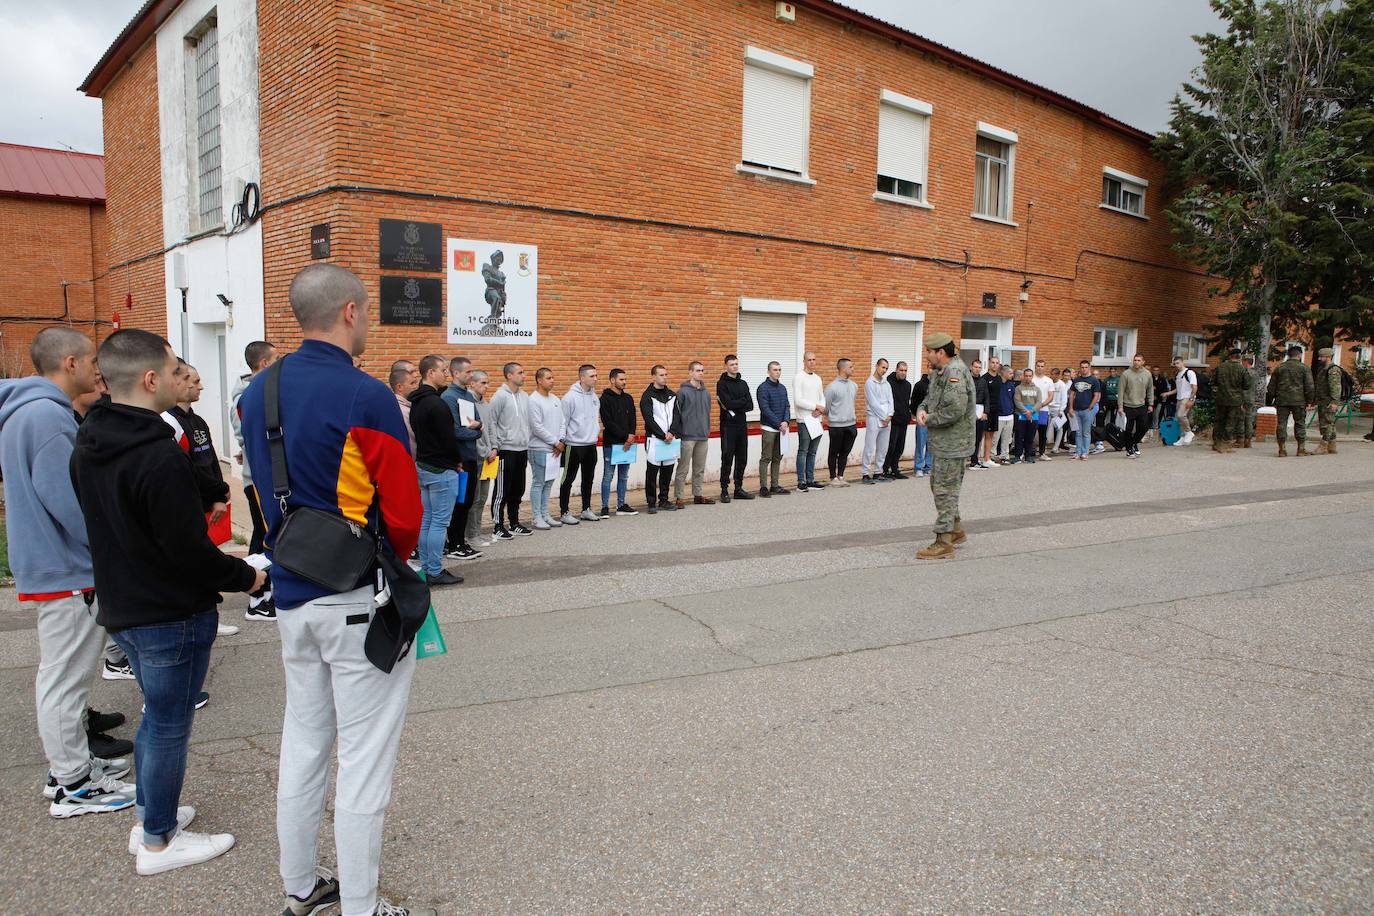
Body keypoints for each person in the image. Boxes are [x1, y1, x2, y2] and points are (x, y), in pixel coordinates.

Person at [238, 264, 429, 915]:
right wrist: (394, 561)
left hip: (292, 591)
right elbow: (403, 511)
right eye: (367, 310)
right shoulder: (365, 394)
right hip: (355, 594)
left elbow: (262, 486)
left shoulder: (258, 391)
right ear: (350, 311)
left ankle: (300, 886)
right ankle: (363, 906)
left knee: (304, 744)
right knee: (364, 762)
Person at [74, 328, 263, 874]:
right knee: (166, 723)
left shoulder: (92, 437)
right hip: (166, 612)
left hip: (123, 604)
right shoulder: (156, 454)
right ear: (151, 378)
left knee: (158, 718)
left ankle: (152, 816)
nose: (184, 376)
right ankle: (158, 839)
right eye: (177, 368)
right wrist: (247, 577)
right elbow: (187, 551)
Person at [0, 327, 136, 818]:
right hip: (67, 568)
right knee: (64, 680)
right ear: (69, 364)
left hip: (57, 564)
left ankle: (70, 767)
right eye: (92, 360)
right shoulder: (46, 417)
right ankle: (73, 784)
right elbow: (73, 504)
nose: (99, 370)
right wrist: (113, 548)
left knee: (64, 677)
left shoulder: (33, 412)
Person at [167, 364, 240, 638]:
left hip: (206, 503)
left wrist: (219, 496)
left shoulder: (198, 421)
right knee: (192, 562)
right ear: (178, 382)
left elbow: (208, 461)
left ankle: (207, 615)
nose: (200, 386)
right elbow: (186, 468)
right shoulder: (169, 423)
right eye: (195, 381)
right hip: (188, 504)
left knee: (206, 557)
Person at [915, 333, 975, 559]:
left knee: (944, 491)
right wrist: (922, 409)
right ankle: (956, 530)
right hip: (943, 442)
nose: (927, 355)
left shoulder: (955, 372)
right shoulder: (940, 371)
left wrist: (929, 419)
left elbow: (955, 410)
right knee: (940, 487)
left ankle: (944, 542)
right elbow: (929, 399)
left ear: (941, 352)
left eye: (929, 352)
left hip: (953, 443)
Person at [231, 339, 279, 621]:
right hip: (258, 479)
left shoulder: (259, 392)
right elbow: (250, 436)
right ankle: (257, 598)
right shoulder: (248, 397)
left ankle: (263, 592)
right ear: (264, 363)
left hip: (265, 477)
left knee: (265, 535)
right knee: (264, 537)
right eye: (276, 359)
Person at [407, 355, 464, 586]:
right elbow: (448, 439)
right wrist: (457, 460)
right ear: (430, 373)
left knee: (428, 520)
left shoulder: (416, 402)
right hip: (441, 470)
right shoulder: (437, 404)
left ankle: (427, 567)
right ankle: (435, 570)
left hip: (423, 466)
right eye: (443, 370)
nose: (446, 374)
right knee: (439, 522)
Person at [440, 357, 485, 559]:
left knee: (467, 501)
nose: (471, 375)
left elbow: (479, 423)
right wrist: (476, 431)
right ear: (455, 373)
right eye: (467, 372)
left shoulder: (468, 395)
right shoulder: (449, 397)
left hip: (471, 455)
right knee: (459, 503)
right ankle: (455, 544)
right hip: (459, 458)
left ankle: (460, 541)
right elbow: (456, 431)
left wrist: (477, 428)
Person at [489, 361, 533, 538]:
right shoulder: (500, 396)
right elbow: (491, 422)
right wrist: (495, 445)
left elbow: (527, 422)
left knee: (518, 489)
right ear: (509, 375)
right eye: (520, 373)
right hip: (505, 450)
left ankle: (514, 523)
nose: (524, 376)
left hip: (522, 449)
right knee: (502, 491)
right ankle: (497, 526)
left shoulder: (525, 396)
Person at [559, 364, 602, 524]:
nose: (595, 379)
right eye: (592, 376)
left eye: (596, 375)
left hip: (591, 444)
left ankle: (586, 509)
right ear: (582, 377)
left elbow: (595, 419)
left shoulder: (594, 397)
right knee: (568, 479)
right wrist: (561, 440)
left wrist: (596, 432)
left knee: (588, 479)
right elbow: (563, 421)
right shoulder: (569, 397)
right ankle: (564, 512)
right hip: (573, 445)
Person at [671, 361, 714, 506]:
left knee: (699, 469)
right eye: (697, 370)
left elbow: (707, 413)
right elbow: (676, 414)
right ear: (690, 372)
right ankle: (679, 497)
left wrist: (706, 430)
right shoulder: (682, 392)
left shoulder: (706, 393)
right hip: (687, 436)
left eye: (702, 370)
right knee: (683, 468)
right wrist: (679, 433)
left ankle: (698, 495)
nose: (700, 373)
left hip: (703, 436)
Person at [527, 367, 564, 530]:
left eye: (553, 377)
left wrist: (560, 441)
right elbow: (536, 427)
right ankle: (536, 517)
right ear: (539, 380)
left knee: (549, 483)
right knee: (539, 482)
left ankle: (545, 514)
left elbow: (563, 422)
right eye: (548, 378)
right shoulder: (533, 400)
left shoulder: (555, 399)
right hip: (539, 448)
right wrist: (555, 442)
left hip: (555, 449)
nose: (552, 380)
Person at [464, 370, 498, 548]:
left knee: (483, 497)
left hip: (489, 458)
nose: (487, 386)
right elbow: (469, 430)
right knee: (474, 499)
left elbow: (491, 427)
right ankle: (471, 535)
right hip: (476, 457)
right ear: (472, 384)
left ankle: (477, 532)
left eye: (487, 382)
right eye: (483, 383)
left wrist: (494, 447)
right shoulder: (467, 403)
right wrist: (484, 451)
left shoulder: (486, 404)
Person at [599, 368, 639, 516]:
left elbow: (633, 419)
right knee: (608, 476)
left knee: (623, 476)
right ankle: (604, 507)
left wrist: (631, 436)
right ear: (612, 380)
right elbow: (608, 422)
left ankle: (621, 505)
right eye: (621, 379)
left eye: (625, 379)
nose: (624, 382)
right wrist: (625, 437)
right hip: (611, 444)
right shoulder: (604, 399)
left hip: (627, 444)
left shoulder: (628, 398)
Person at [640, 364, 678, 513]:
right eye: (661, 375)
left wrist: (672, 432)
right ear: (653, 377)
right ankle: (651, 502)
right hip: (655, 439)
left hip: (670, 439)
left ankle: (664, 499)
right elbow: (649, 419)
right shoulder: (647, 396)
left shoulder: (672, 395)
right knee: (652, 471)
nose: (664, 377)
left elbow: (677, 416)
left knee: (667, 470)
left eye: (666, 374)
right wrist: (662, 435)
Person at [716, 355, 754, 502]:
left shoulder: (743, 383)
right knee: (727, 457)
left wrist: (734, 404)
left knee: (742, 458)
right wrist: (740, 403)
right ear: (726, 366)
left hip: (741, 425)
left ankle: (738, 488)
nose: (735, 366)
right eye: (732, 364)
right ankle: (724, 490)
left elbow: (750, 405)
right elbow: (727, 404)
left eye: (736, 364)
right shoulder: (721, 384)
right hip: (728, 426)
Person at [1267, 344, 1315, 457]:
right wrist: (1310, 401)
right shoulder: (1304, 368)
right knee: (1300, 423)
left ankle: (1282, 449)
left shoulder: (1280, 368)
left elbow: (1271, 387)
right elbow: (1310, 387)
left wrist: (1270, 400)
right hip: (1299, 401)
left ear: (1288, 355)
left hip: (1282, 401)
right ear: (1299, 355)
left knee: (1281, 424)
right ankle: (1301, 449)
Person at [756, 360, 791, 497]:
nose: (778, 372)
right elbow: (765, 409)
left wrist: (786, 421)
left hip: (782, 429)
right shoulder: (763, 388)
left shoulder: (782, 388)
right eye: (775, 370)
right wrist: (778, 424)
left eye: (779, 370)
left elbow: (787, 406)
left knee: (777, 458)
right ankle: (763, 487)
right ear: (769, 371)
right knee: (766, 458)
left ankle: (775, 486)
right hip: (769, 428)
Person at [793, 352, 826, 491]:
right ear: (804, 361)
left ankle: (810, 480)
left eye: (814, 359)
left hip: (816, 419)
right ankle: (801, 482)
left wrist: (820, 409)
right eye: (809, 360)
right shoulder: (799, 377)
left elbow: (822, 397)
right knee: (803, 451)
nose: (812, 362)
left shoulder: (817, 378)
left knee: (812, 452)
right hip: (804, 420)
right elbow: (798, 400)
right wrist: (815, 406)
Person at [824, 358, 858, 486]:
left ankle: (841, 476)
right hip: (836, 426)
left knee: (845, 452)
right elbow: (826, 408)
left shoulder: (854, 385)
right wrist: (835, 417)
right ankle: (833, 477)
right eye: (851, 367)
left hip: (851, 425)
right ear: (843, 368)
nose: (853, 369)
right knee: (834, 452)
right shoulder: (831, 387)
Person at [1211, 348, 1251, 453]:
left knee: (1219, 420)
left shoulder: (1220, 367)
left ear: (1230, 356)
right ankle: (1225, 444)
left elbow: (1213, 382)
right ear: (1239, 357)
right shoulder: (1242, 369)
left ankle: (1216, 442)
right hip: (1235, 400)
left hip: (1221, 398)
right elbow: (1247, 385)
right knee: (1231, 422)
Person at [860, 358, 893, 483]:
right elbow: (873, 403)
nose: (884, 370)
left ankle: (878, 472)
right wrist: (884, 416)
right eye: (882, 367)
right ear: (877, 366)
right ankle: (865, 473)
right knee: (869, 446)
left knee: (883, 447)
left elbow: (891, 400)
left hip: (886, 420)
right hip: (874, 417)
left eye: (886, 368)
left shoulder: (886, 384)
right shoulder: (869, 383)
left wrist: (890, 415)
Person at [1118, 353, 1154, 458]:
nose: (1136, 362)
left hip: (1141, 405)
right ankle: (1129, 450)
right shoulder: (1126, 374)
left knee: (1143, 427)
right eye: (1135, 360)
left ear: (1143, 362)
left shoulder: (1147, 374)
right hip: (1128, 405)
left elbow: (1150, 389)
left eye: (1139, 360)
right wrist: (1120, 406)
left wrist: (1151, 404)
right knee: (1128, 429)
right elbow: (1121, 391)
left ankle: (1134, 443)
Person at [882, 361, 913, 479]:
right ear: (896, 370)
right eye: (901, 370)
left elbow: (906, 402)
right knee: (891, 446)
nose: (903, 373)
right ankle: (885, 470)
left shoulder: (908, 385)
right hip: (893, 420)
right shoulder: (888, 383)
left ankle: (895, 469)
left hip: (903, 420)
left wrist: (909, 415)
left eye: (905, 370)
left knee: (900, 446)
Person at [1066, 360, 1102, 461]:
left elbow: (1096, 395)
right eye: (1082, 367)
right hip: (1076, 410)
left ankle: (1085, 453)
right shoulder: (1076, 380)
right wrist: (1071, 408)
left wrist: (1090, 407)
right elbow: (1072, 394)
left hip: (1087, 410)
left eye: (1086, 367)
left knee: (1086, 432)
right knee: (1078, 432)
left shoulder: (1094, 380)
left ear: (1089, 367)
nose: (1084, 369)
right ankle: (1078, 452)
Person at [1314, 347, 1343, 454]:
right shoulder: (1324, 369)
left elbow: (1335, 387)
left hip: (1329, 401)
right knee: (1330, 423)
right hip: (1323, 400)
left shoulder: (1333, 370)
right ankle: (1332, 445)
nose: (1319, 359)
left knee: (1328, 423)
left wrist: (1334, 402)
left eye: (1322, 357)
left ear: (1329, 357)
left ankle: (1323, 445)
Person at [388, 360, 419, 454]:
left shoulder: (408, 404)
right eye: (412, 383)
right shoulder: (401, 410)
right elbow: (411, 441)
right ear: (399, 386)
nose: (415, 386)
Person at [1012, 368, 1040, 464]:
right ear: (1023, 376)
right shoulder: (1018, 388)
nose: (1028, 377)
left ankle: (1028, 456)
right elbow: (1017, 401)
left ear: (1032, 376)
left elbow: (1039, 402)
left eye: (1030, 376)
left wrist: (1031, 412)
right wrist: (1026, 412)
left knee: (1030, 437)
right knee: (1019, 437)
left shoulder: (1037, 389)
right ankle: (1017, 456)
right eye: (1026, 376)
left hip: (1033, 416)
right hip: (1021, 415)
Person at [968, 358, 990, 469]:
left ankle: (974, 460)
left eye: (979, 367)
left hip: (980, 412)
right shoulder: (966, 380)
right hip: (968, 412)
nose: (977, 369)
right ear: (971, 367)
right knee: (967, 438)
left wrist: (986, 412)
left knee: (978, 438)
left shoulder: (983, 381)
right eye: (975, 367)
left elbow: (987, 397)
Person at [992, 365, 1016, 464]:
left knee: (1007, 439)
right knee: (995, 439)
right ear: (1004, 373)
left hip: (1009, 416)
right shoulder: (997, 383)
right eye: (1010, 373)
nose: (1012, 375)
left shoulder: (1011, 384)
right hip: (998, 416)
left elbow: (1013, 399)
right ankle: (991, 456)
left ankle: (1004, 456)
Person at [910, 369, 932, 477]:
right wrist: (916, 414)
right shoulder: (919, 385)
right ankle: (918, 467)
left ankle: (928, 467)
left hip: (933, 419)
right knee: (920, 444)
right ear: (928, 368)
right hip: (922, 419)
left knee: (931, 445)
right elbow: (914, 401)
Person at [1173, 357, 1199, 446]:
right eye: (1175, 364)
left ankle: (1189, 432)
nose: (1176, 365)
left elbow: (1194, 387)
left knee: (1181, 415)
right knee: (1179, 419)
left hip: (1187, 397)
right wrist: (1168, 393)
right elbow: (1178, 389)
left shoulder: (1189, 372)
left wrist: (1191, 399)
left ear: (1182, 362)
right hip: (1179, 398)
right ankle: (1182, 437)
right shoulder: (1178, 374)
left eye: (1178, 363)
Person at [1031, 359, 1053, 459]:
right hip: (1031, 409)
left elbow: (1051, 396)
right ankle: (1028, 452)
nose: (1040, 368)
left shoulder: (1049, 380)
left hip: (1044, 410)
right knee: (1030, 432)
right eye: (1038, 366)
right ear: (1035, 367)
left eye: (1042, 366)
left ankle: (1042, 453)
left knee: (1042, 433)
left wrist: (1041, 405)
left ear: (1044, 367)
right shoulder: (1031, 379)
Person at [1046, 367, 1069, 456]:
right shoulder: (1049, 382)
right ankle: (1043, 445)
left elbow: (1064, 398)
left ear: (1058, 375)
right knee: (1045, 427)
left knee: (1059, 428)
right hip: (1048, 407)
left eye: (1054, 374)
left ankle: (1056, 447)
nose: (1052, 376)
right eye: (1051, 374)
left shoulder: (1062, 385)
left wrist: (1061, 410)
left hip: (1057, 409)